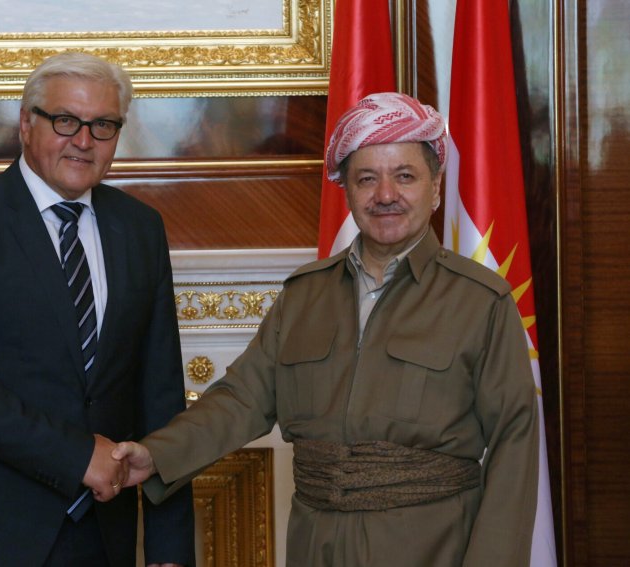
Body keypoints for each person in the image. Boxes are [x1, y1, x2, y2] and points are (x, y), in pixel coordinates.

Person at [114, 92, 539, 566]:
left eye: (405, 176)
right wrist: (156, 455)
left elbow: (514, 443)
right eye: (367, 179)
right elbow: (242, 399)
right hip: (317, 546)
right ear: (348, 191)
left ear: (435, 187)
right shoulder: (305, 295)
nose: (385, 195)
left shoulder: (480, 301)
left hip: (434, 548)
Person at [0, 52, 194, 567]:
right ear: (26, 124)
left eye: (103, 125)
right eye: (66, 120)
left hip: (100, 535)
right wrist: (78, 456)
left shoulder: (140, 227)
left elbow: (160, 392)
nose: (84, 141)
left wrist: (169, 546)